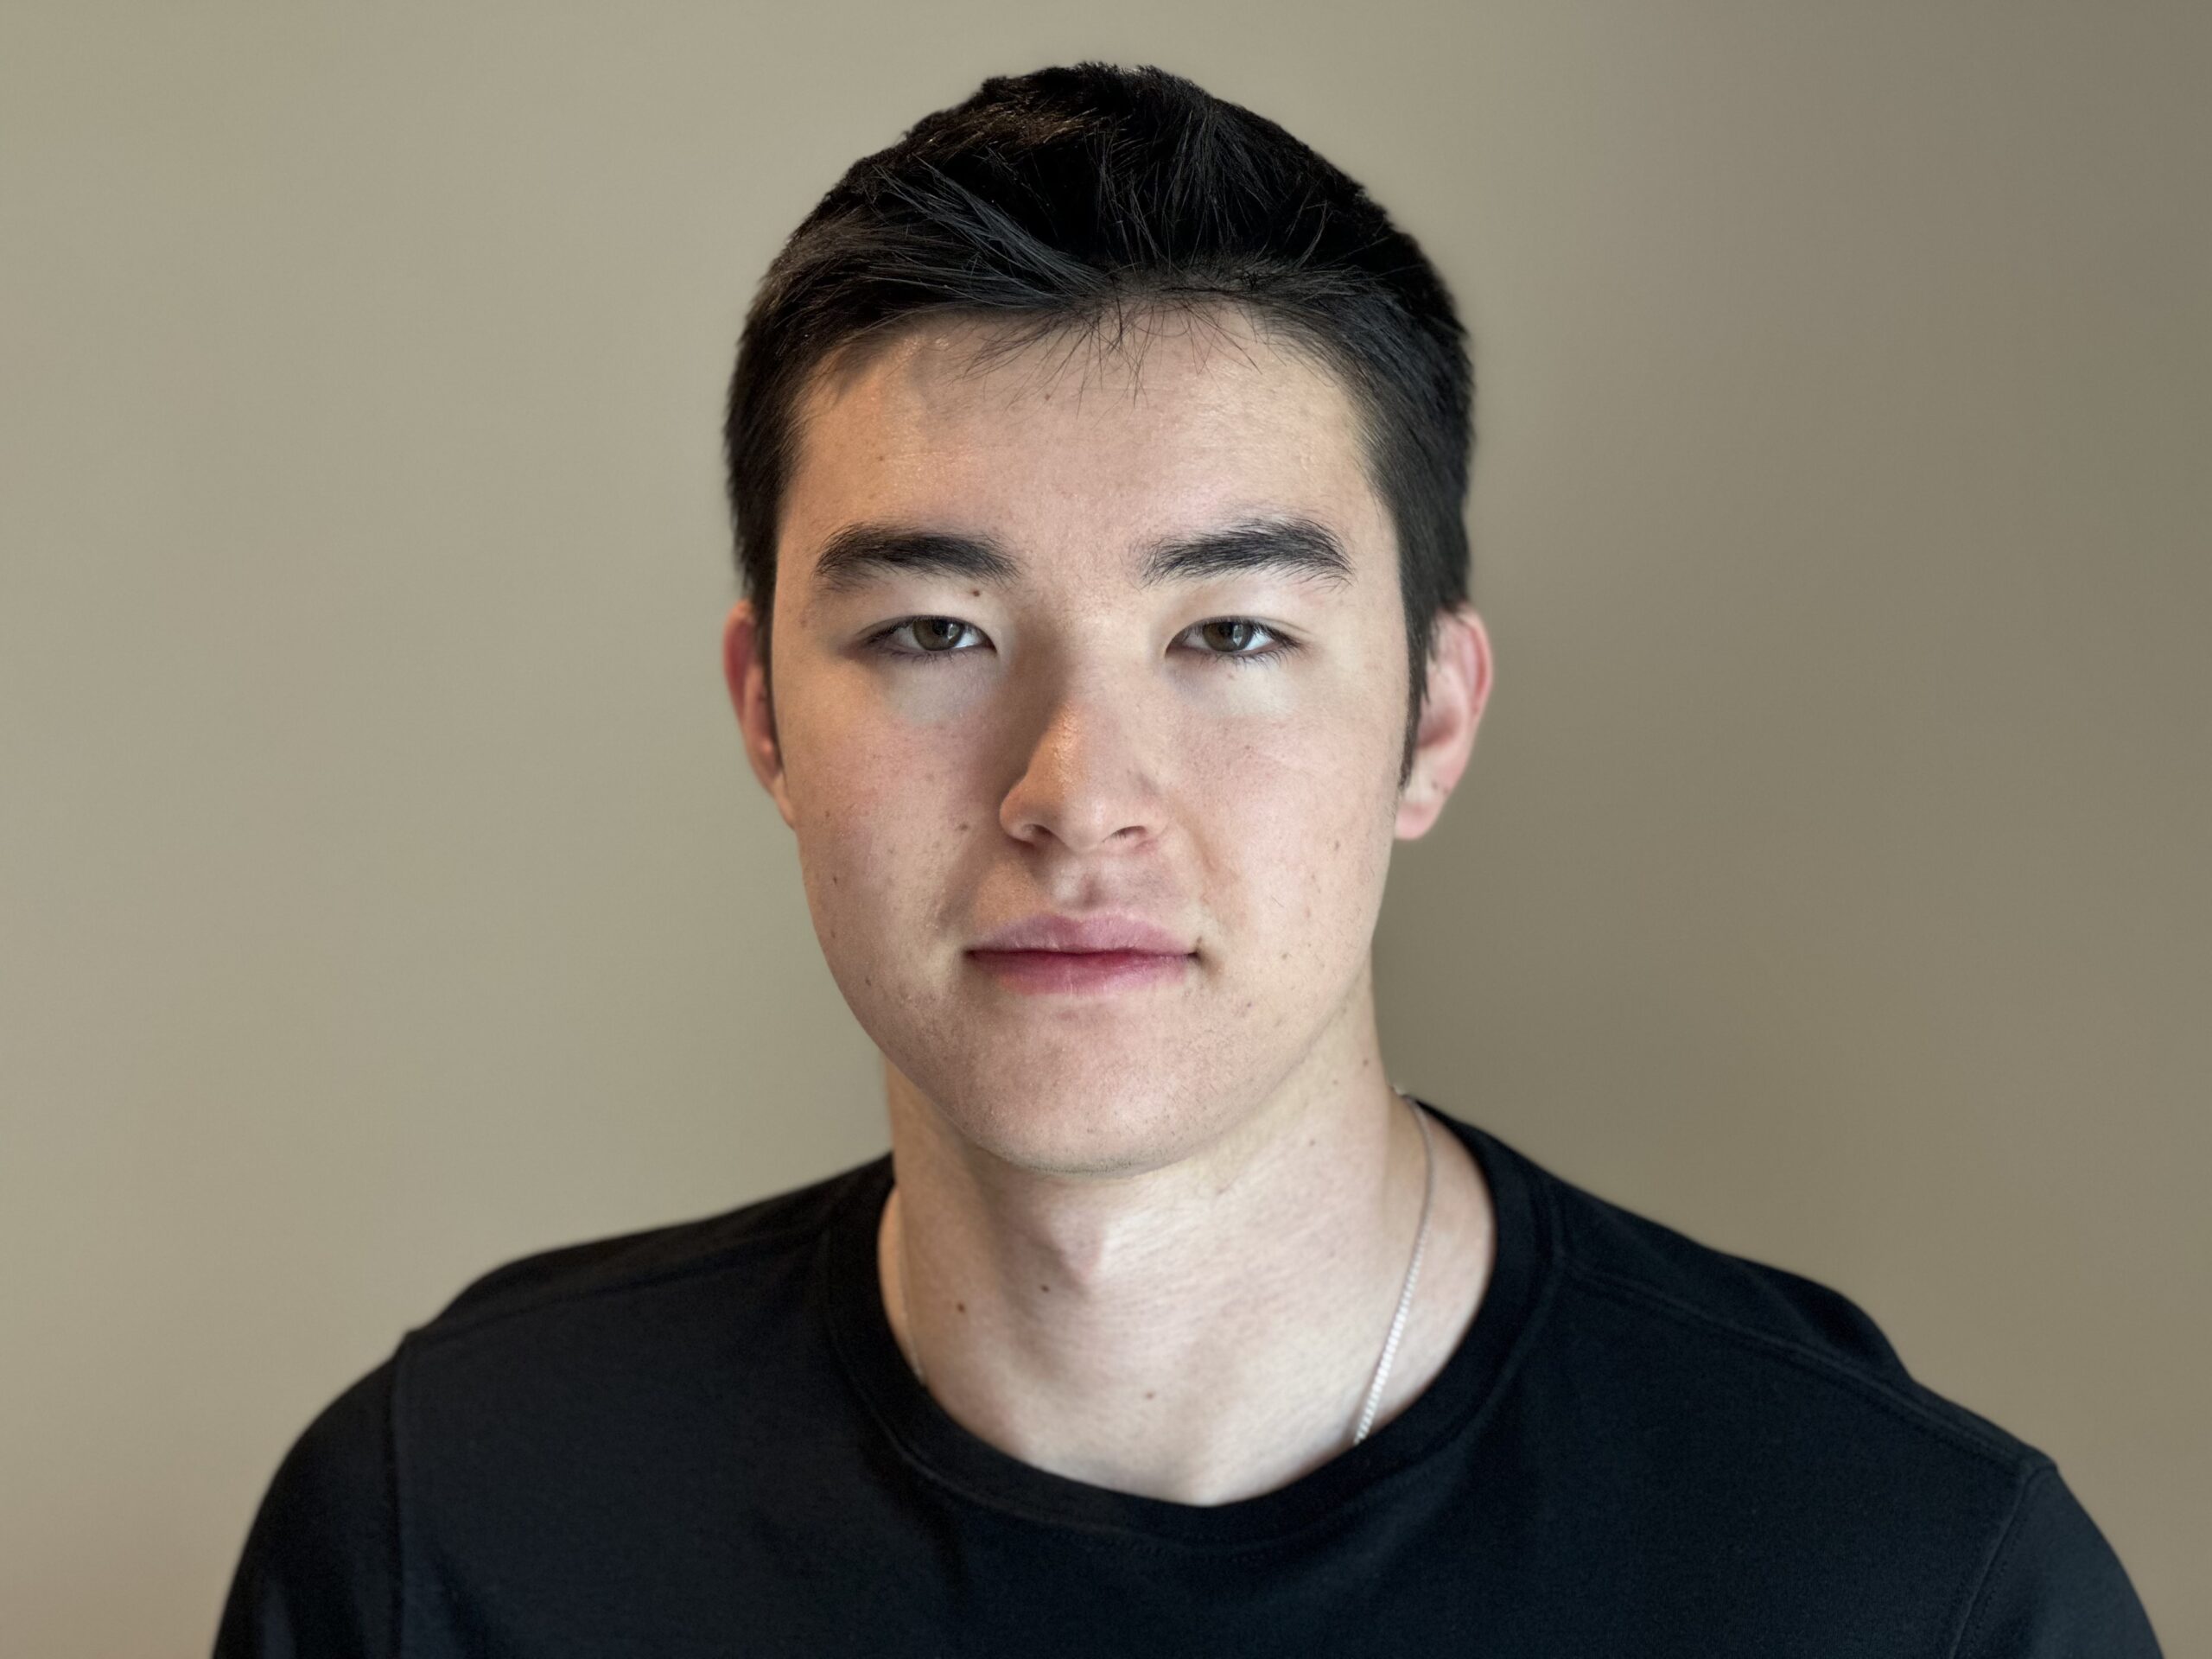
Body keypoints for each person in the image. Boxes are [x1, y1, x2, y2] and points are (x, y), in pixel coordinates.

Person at [214, 62, 2161, 1656]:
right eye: (934, 633)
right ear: (766, 718)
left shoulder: (1902, 1578)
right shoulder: (455, 1525)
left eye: (1229, 633)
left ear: (1431, 720)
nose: (1076, 792)